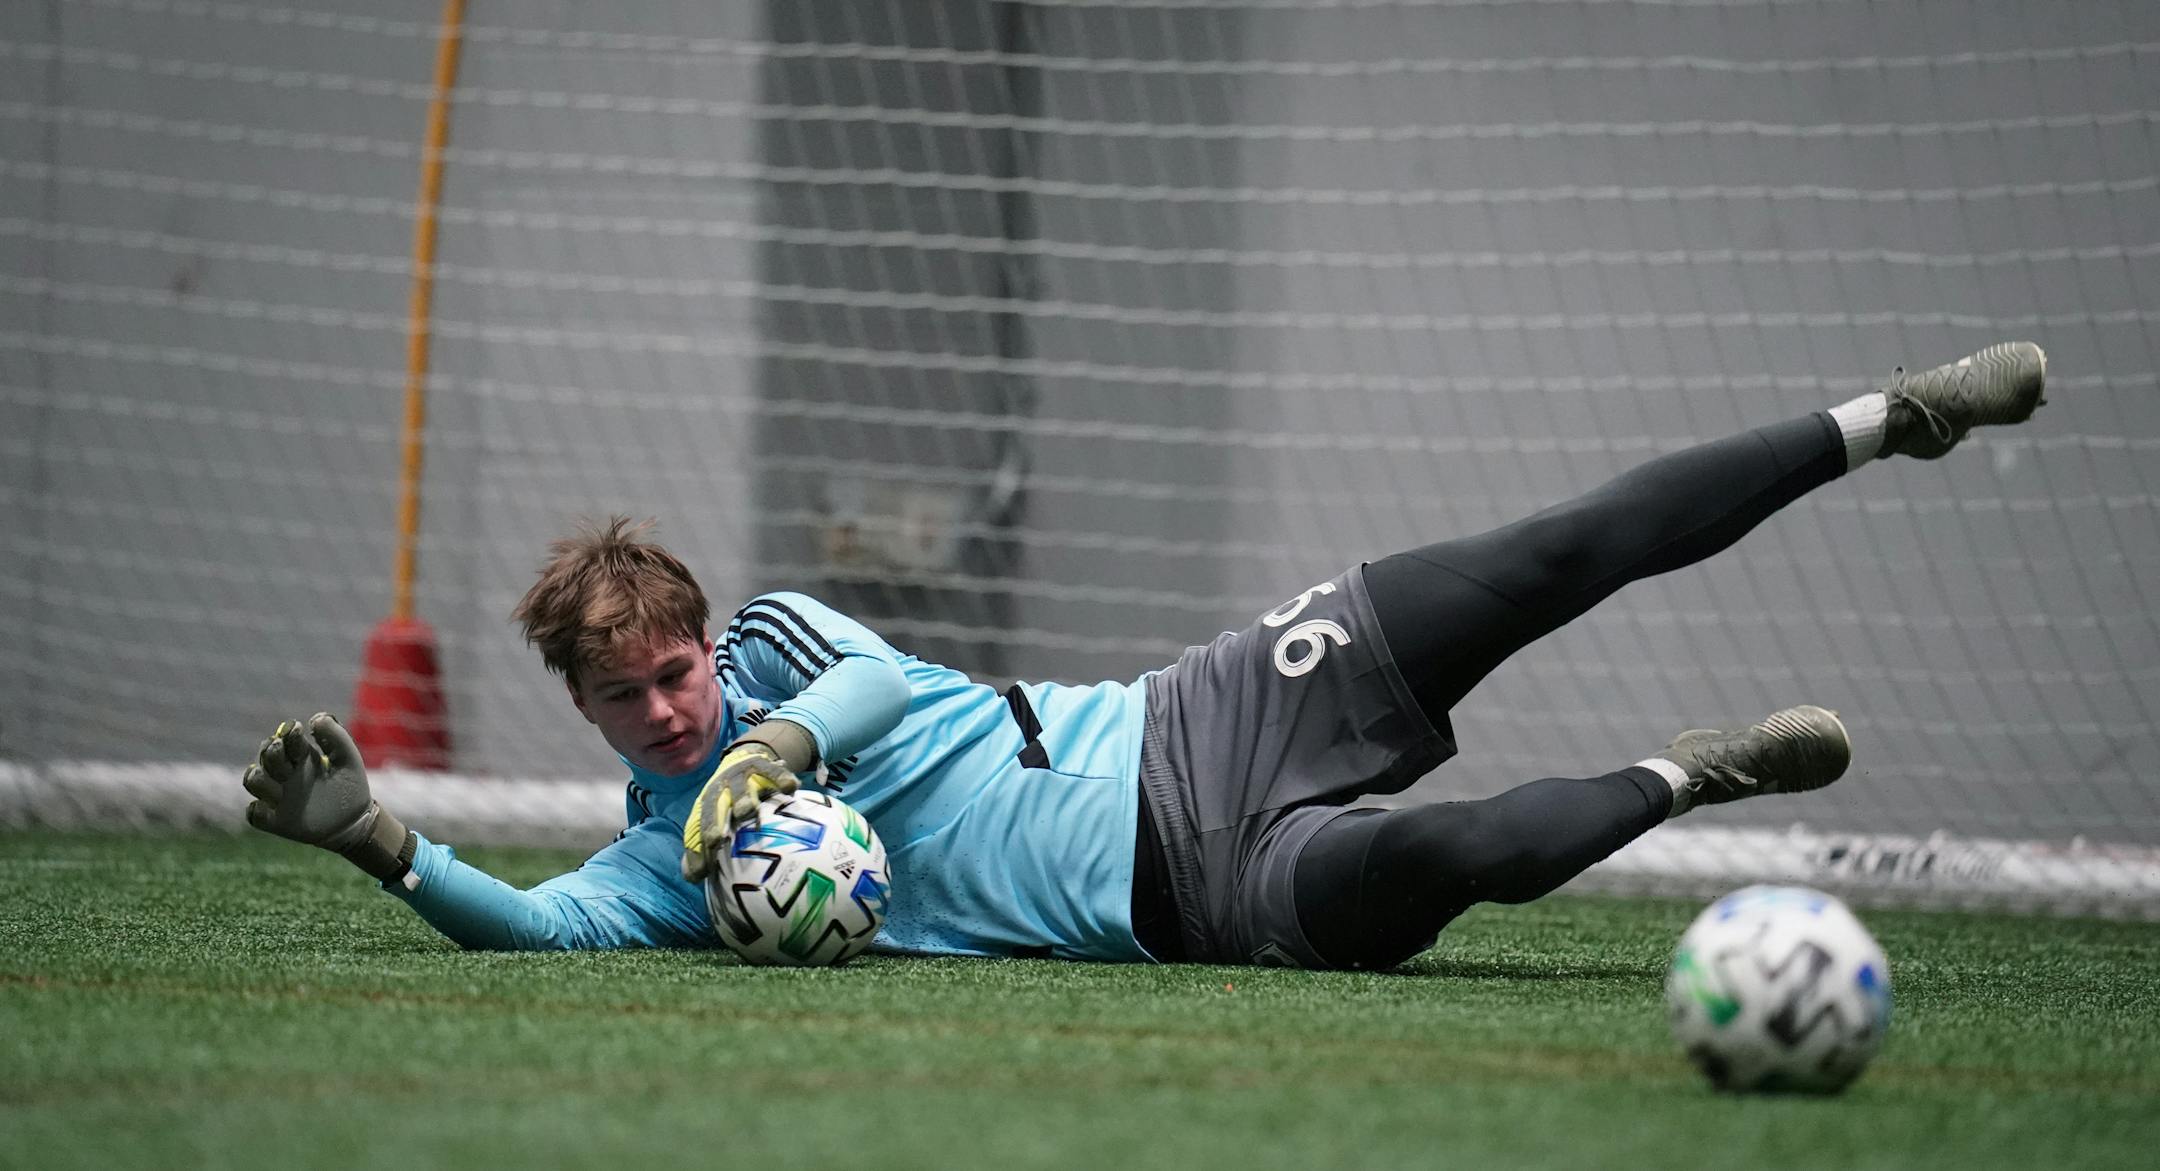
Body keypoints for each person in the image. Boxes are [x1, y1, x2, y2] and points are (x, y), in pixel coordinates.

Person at [243, 342, 2047, 969]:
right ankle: (1694, 772)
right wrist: (380, 845)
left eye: (677, 669)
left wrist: (772, 755)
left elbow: (860, 691)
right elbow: (548, 929)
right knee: (1458, 856)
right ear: (585, 708)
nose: (666, 705)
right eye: (626, 698)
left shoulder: (782, 649)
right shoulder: (666, 867)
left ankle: (1887, 418)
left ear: (707, 637)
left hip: (1202, 708)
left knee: (1547, 554)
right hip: (1209, 892)